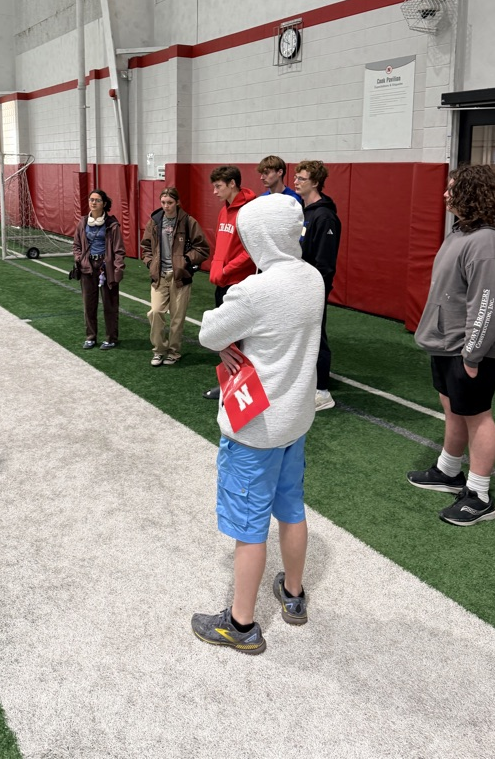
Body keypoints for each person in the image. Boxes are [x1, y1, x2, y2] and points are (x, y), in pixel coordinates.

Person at [192, 194, 325, 653]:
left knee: (249, 527)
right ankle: (292, 594)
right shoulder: (312, 278)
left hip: (256, 429)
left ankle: (241, 625)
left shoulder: (256, 289)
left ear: (259, 236)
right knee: (291, 506)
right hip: (295, 419)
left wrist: (234, 336)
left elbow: (209, 332)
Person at [407, 164, 495, 526]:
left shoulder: (488, 242)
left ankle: (479, 495)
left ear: (473, 194)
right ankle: (448, 471)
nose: (445, 194)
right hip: (447, 343)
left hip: (471, 350)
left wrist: (472, 355)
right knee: (454, 409)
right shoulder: (460, 234)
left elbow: (487, 304)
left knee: (477, 416)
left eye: (452, 189)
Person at [203, 166, 257, 399]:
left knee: (237, 338)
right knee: (227, 336)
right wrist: (217, 268)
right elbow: (222, 245)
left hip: (239, 283)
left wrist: (226, 270)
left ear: (232, 183)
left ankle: (238, 387)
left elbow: (250, 251)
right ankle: (231, 382)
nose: (214, 192)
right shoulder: (224, 210)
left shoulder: (249, 210)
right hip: (223, 282)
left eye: (218, 186)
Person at [141, 187, 209, 366]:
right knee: (155, 312)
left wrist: (186, 260)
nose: (166, 206)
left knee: (177, 318)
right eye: (163, 202)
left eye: (170, 203)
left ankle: (174, 352)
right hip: (159, 276)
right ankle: (158, 350)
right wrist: (150, 263)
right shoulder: (154, 222)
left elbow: (202, 248)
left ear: (177, 202)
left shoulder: (188, 222)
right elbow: (146, 246)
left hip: (180, 277)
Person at [294, 161, 341, 412]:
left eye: (301, 178)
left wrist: (315, 291)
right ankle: (307, 383)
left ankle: (322, 391)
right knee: (302, 337)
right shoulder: (304, 211)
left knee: (316, 338)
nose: (296, 181)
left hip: (313, 290)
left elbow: (324, 263)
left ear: (315, 182)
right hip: (298, 287)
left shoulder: (325, 217)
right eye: (296, 177)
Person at [73, 189, 126, 350]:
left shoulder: (112, 225)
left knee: (110, 305)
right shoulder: (82, 223)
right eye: (91, 199)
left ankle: (111, 338)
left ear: (104, 203)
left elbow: (119, 250)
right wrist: (79, 259)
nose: (93, 202)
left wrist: (118, 269)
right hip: (88, 268)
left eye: (97, 200)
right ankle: (91, 337)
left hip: (106, 267)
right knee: (89, 304)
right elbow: (76, 245)